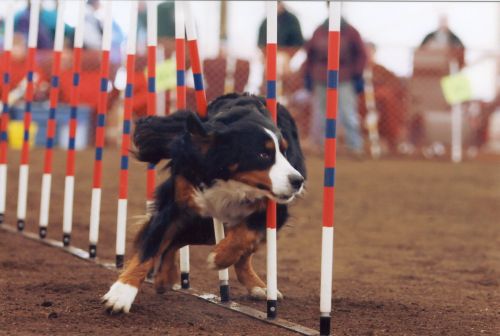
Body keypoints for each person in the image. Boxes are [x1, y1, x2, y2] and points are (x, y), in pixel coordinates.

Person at [303, 16, 367, 155]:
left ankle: (355, 146)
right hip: (320, 78)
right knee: (320, 113)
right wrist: (307, 75)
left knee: (348, 112)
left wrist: (357, 74)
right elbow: (309, 55)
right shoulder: (319, 31)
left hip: (345, 77)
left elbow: (361, 54)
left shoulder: (350, 31)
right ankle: (321, 146)